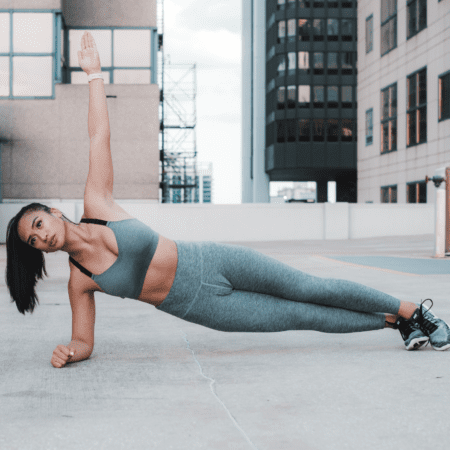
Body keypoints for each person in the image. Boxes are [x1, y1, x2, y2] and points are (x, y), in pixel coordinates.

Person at [5, 33, 450, 369]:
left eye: (38, 224)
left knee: (311, 288)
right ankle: (393, 323)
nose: (40, 237)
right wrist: (71, 352)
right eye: (32, 241)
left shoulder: (97, 203)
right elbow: (84, 341)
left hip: (211, 260)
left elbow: (98, 136)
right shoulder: (79, 282)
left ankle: (413, 311)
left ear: (53, 213)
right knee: (300, 316)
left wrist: (94, 75)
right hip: (203, 306)